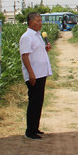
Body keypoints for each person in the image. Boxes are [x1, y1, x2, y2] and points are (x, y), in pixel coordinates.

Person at [19, 12, 53, 140]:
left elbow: (35, 52)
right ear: (30, 22)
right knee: (33, 102)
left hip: (41, 73)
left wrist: (45, 49)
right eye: (37, 21)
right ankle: (30, 131)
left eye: (40, 21)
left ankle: (35, 128)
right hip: (34, 75)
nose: (40, 23)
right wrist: (31, 74)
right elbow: (25, 56)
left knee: (39, 102)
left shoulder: (38, 35)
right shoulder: (27, 37)